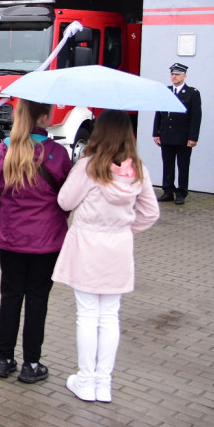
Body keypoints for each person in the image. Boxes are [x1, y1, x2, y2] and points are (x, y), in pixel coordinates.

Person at [54, 109, 160, 403]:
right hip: (118, 250)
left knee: (87, 315)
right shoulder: (138, 169)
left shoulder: (89, 167)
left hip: (87, 247)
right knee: (110, 316)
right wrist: (124, 229)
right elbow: (151, 212)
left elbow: (64, 201)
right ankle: (104, 383)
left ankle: (85, 380)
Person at [0, 99, 72, 383]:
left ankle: (3, 358)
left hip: (11, 238)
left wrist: (14, 214)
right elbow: (66, 198)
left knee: (10, 296)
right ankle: (31, 363)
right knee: (37, 299)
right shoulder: (57, 155)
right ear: (45, 118)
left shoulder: (3, 150)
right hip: (46, 241)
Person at [153, 63, 202, 205]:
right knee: (167, 164)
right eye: (172, 74)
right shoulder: (166, 91)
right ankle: (168, 191)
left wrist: (193, 137)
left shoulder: (192, 93)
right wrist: (156, 132)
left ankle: (181, 193)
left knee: (183, 165)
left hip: (183, 136)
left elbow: (196, 116)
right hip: (167, 134)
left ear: (184, 76)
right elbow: (159, 113)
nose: (174, 77)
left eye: (177, 74)